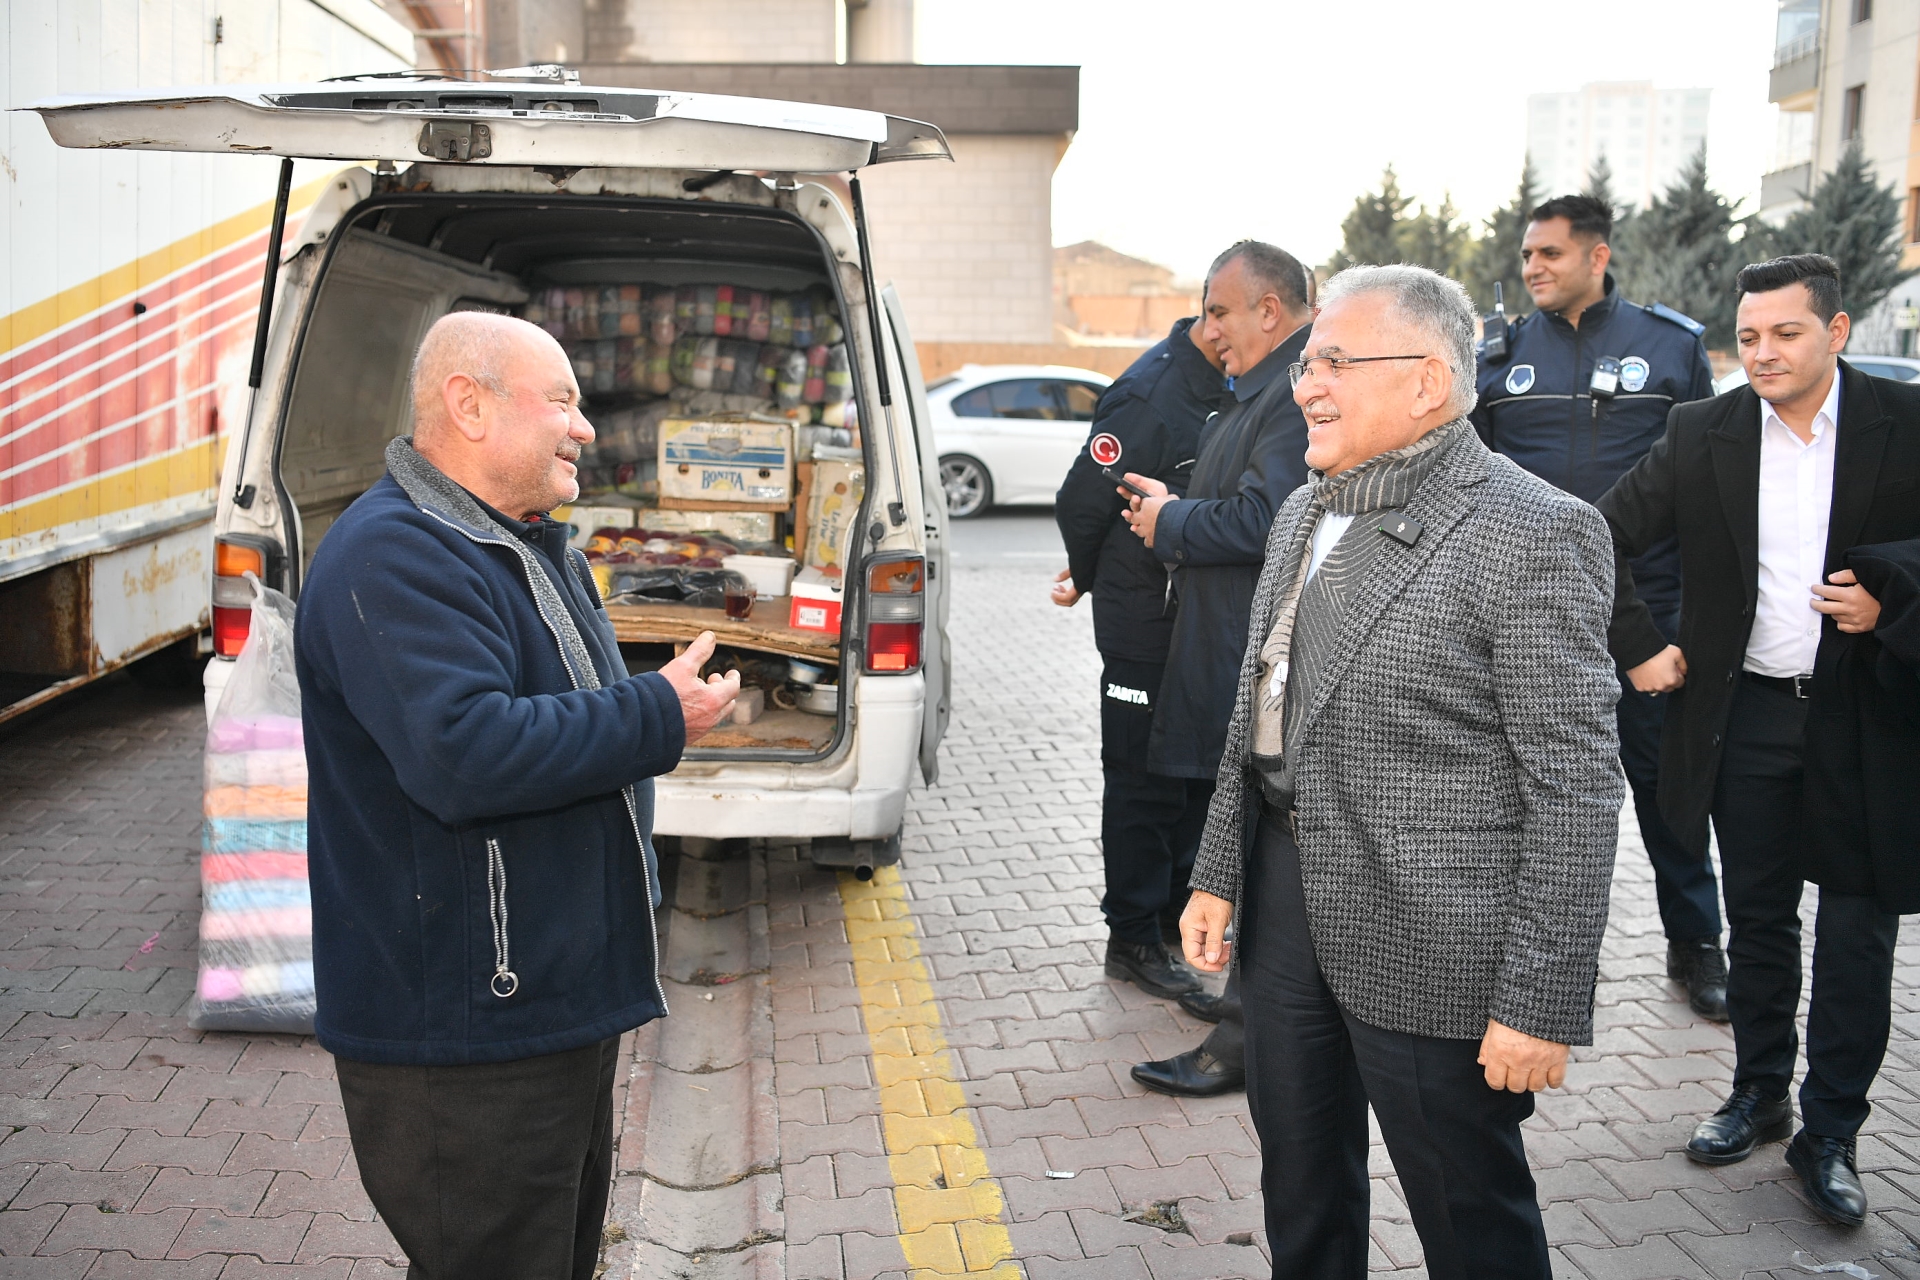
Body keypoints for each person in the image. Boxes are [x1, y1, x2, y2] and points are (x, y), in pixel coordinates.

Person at [1183, 264, 1623, 1278]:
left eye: (1335, 359)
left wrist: (1538, 1000)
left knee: (1469, 1215)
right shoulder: (1302, 509)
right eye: (1306, 360)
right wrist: (1219, 870)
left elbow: (1577, 787)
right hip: (1285, 903)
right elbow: (1261, 709)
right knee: (1300, 1181)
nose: (1305, 383)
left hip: (1433, 934)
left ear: (1427, 381)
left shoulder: (1534, 530)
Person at [295, 312, 740, 1279]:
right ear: (469, 404)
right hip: (462, 1028)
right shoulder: (396, 555)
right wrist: (657, 712)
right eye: (564, 402)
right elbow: (465, 754)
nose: (585, 427)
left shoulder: (515, 542)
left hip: (538, 1002)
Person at [1597, 254, 1920, 1226]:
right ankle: (1760, 1092)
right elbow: (1596, 532)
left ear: (1839, 329)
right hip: (1750, 717)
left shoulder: (1905, 426)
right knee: (1763, 922)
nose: (1765, 352)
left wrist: (1893, 593)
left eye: (1786, 332)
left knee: (1859, 929)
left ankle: (1833, 1131)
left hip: (1868, 716)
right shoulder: (1703, 430)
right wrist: (1642, 643)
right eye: (1749, 337)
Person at [1471, 194, 1727, 1020]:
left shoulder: (1671, 348)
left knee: (1668, 795)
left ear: (1597, 255)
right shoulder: (1496, 357)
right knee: (1515, 800)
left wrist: (1691, 620)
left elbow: (1711, 488)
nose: (1532, 268)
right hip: (1527, 619)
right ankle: (1499, 954)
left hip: (1649, 619)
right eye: (1527, 255)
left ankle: (1697, 948)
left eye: (1549, 253)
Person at [1119, 239, 1316, 1100]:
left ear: (1268, 310)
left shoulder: (1295, 395)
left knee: (1257, 853)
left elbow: (1271, 519)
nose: (1209, 332)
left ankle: (1242, 1039)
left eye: (1220, 312)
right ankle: (1247, 1017)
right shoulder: (1254, 392)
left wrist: (1171, 520)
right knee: (1235, 843)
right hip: (1224, 646)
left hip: (1261, 657)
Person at [1052, 315, 1229, 999]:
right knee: (1141, 781)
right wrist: (1090, 576)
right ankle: (1130, 936)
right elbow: (1081, 500)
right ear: (1228, 317)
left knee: (1189, 778)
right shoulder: (1150, 394)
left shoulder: (1224, 383)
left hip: (1190, 619)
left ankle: (1165, 922)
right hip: (1141, 626)